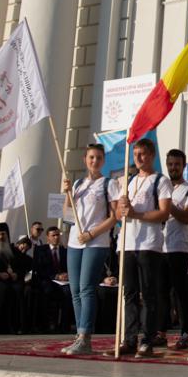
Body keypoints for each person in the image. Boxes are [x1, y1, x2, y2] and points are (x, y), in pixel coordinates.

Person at [114, 138, 173, 357]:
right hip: (127, 243)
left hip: (149, 244)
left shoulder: (160, 181)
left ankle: (147, 340)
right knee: (129, 293)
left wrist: (136, 214)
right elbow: (118, 215)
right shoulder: (128, 181)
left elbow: (164, 213)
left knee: (148, 293)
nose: (138, 158)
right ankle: (129, 339)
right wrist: (121, 208)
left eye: (142, 154)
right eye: (135, 154)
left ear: (151, 156)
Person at [60, 143, 117, 355]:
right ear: (85, 159)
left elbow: (114, 217)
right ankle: (79, 335)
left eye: (99, 158)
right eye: (91, 157)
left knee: (86, 288)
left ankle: (86, 336)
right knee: (75, 290)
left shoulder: (108, 184)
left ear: (103, 161)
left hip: (96, 241)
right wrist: (67, 194)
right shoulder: (78, 184)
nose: (95, 161)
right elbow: (67, 215)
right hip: (75, 241)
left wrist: (92, 233)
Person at [160, 148, 188, 349]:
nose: (173, 168)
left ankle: (185, 333)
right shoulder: (161, 187)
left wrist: (167, 206)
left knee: (180, 292)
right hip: (160, 246)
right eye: (170, 164)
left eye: (177, 164)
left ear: (183, 166)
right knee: (161, 292)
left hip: (180, 247)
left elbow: (185, 217)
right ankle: (160, 332)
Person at [30, 226, 71, 332]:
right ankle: (47, 324)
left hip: (63, 281)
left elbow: (69, 266)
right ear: (48, 237)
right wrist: (55, 276)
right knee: (47, 291)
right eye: (53, 235)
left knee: (68, 292)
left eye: (58, 235)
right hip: (47, 280)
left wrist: (66, 274)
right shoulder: (40, 250)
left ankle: (64, 325)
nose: (56, 237)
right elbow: (39, 268)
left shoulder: (64, 250)